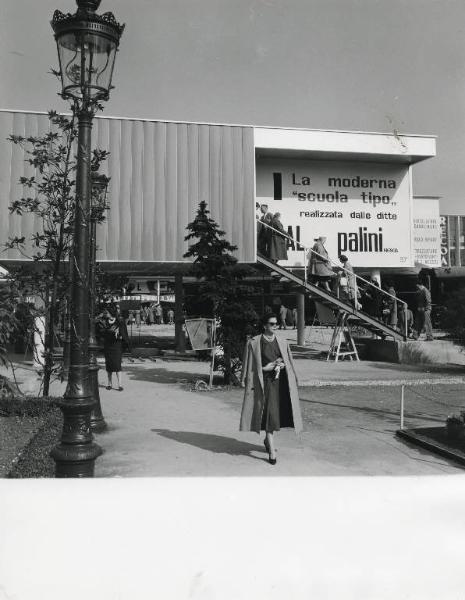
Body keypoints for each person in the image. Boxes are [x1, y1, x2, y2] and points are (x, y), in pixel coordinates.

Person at [240, 314, 303, 464]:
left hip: (279, 383)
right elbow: (249, 366)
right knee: (269, 414)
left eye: (276, 323)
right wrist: (265, 367)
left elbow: (288, 361)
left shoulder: (282, 341)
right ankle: (272, 452)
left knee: (275, 414)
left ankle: (268, 442)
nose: (275, 326)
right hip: (263, 383)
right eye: (271, 323)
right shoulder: (254, 342)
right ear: (264, 326)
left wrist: (282, 365)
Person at [99, 304, 130, 391]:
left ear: (111, 312)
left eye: (107, 312)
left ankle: (120, 385)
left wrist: (119, 334)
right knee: (109, 365)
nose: (105, 314)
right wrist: (109, 332)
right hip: (108, 345)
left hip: (117, 346)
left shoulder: (120, 321)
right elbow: (102, 332)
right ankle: (109, 384)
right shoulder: (104, 321)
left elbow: (124, 333)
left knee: (117, 365)